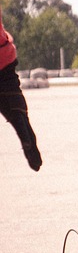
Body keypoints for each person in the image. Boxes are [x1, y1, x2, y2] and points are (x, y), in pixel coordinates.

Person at [0, 11, 42, 171]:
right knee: (13, 96)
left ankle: (20, 125)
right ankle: (23, 126)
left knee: (5, 102)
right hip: (5, 54)